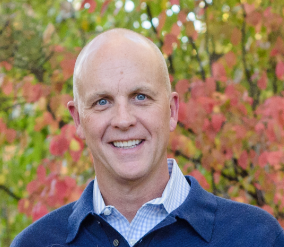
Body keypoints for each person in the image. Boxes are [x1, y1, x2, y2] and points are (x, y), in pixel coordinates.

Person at [11, 28, 284, 247]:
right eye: (103, 101)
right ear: (79, 120)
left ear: (171, 110)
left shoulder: (256, 236)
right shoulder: (35, 242)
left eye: (140, 97)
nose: (123, 119)